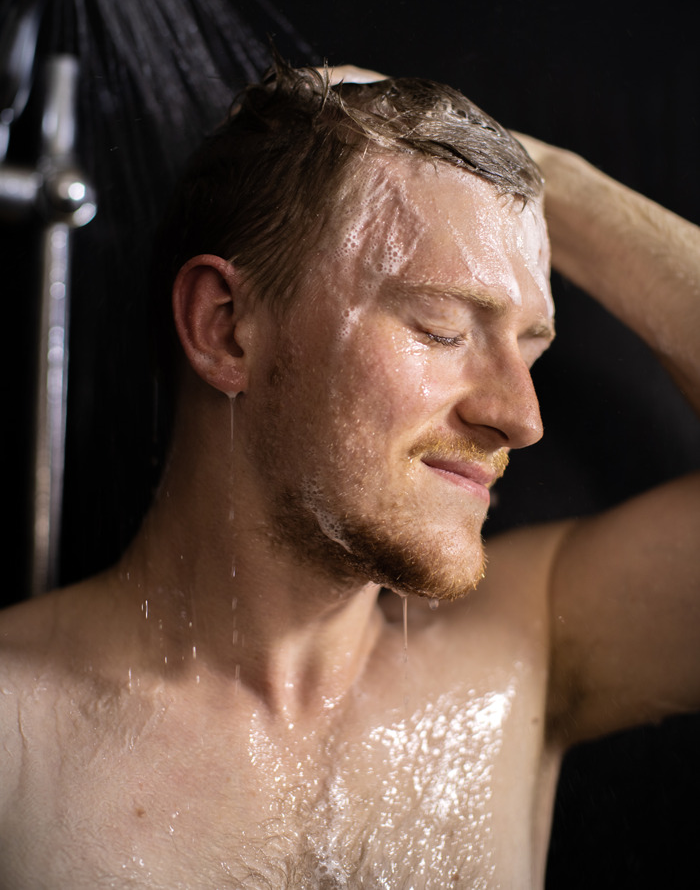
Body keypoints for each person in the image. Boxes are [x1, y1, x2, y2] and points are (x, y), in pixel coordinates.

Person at [0, 60, 698, 889]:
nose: (520, 416)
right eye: (442, 327)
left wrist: (554, 180)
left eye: (532, 347)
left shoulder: (524, 648)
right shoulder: (17, 737)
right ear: (225, 329)